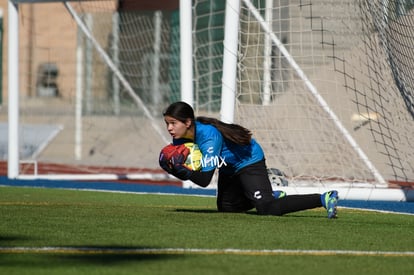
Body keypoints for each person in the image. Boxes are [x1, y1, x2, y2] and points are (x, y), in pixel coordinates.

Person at [159, 101, 338, 219]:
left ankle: (323, 198)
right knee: (227, 209)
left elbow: (204, 180)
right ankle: (270, 194)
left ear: (188, 122)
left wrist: (180, 170)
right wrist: (174, 169)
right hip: (228, 167)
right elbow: (191, 173)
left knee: (267, 209)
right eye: (167, 123)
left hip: (248, 160)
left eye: (173, 123)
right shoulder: (180, 139)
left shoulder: (208, 136)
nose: (169, 128)